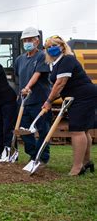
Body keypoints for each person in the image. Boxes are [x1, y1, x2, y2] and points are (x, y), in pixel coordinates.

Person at [42, 35, 97, 176]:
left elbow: (60, 83)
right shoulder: (56, 63)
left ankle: (77, 167)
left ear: (62, 46)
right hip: (76, 96)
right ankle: (86, 162)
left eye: (54, 45)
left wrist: (48, 101)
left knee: (77, 130)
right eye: (48, 47)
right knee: (84, 130)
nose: (51, 49)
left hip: (83, 96)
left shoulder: (68, 59)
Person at [15, 27, 52, 163]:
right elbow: (18, 77)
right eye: (25, 40)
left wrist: (27, 87)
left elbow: (37, 74)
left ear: (37, 41)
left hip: (40, 100)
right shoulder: (20, 59)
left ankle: (42, 158)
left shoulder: (42, 56)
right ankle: (33, 154)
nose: (27, 42)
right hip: (24, 102)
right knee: (24, 131)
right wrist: (20, 93)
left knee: (43, 130)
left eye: (30, 40)